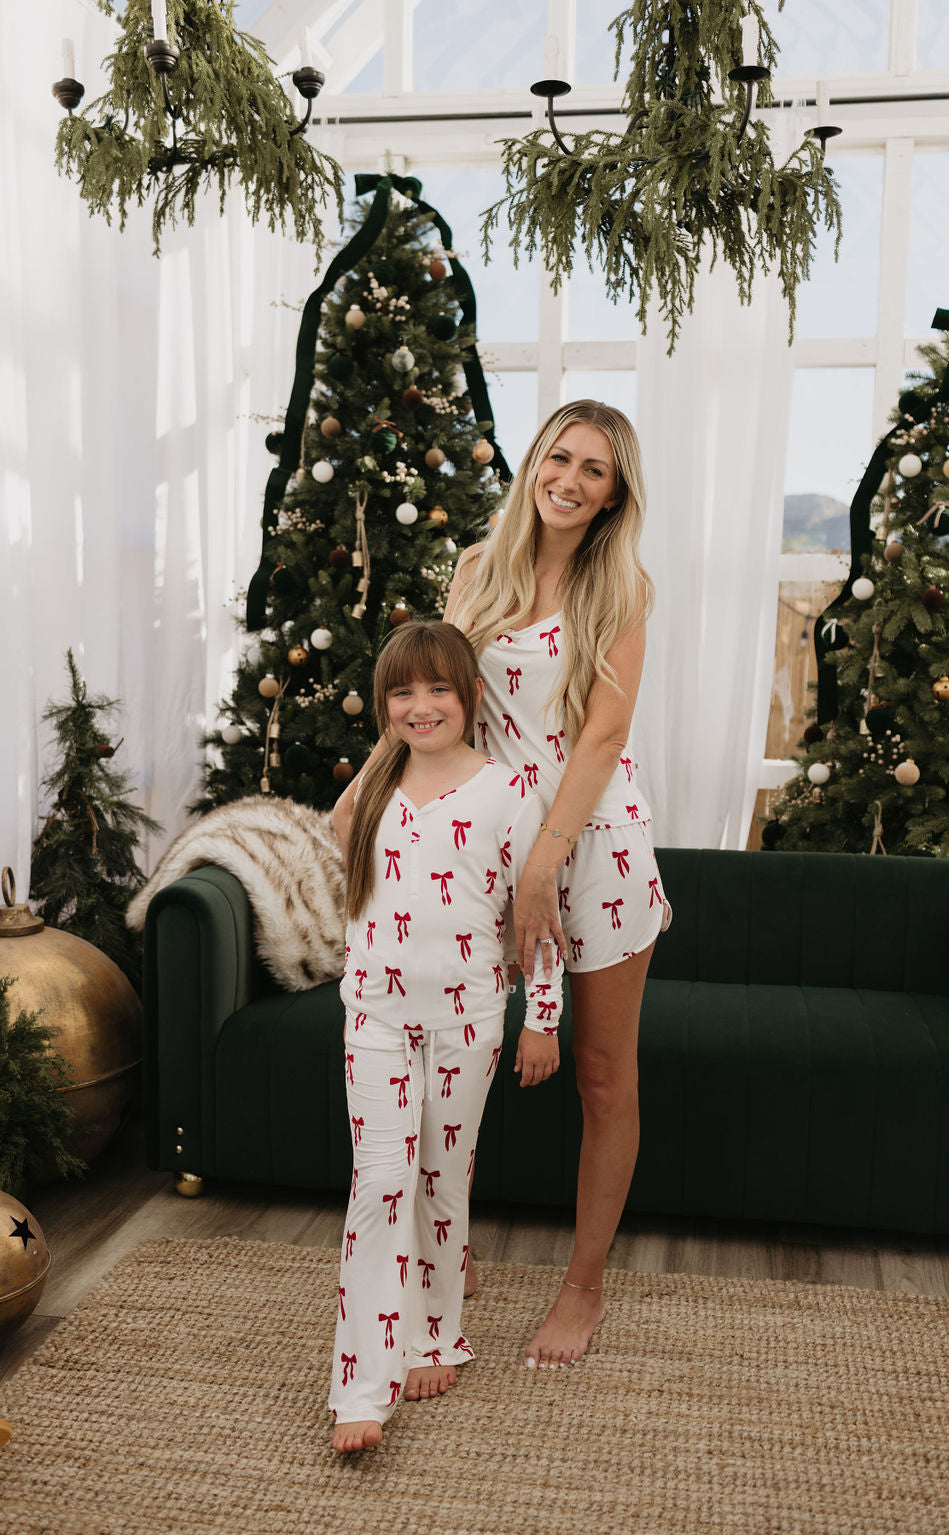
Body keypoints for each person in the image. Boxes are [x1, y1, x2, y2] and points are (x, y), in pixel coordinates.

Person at [445, 398, 667, 1371]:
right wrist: (367, 790)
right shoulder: (474, 569)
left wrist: (545, 865)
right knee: (457, 1051)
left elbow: (603, 736)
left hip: (596, 848)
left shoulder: (621, 589)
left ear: (614, 497)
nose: (569, 480)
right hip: (487, 842)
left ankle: (583, 1286)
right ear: (536, 459)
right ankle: (448, 1247)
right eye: (560, 457)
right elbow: (436, 698)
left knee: (602, 1075)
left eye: (594, 472)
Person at [327, 620, 562, 1454]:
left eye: (438, 690)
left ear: (469, 699)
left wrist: (543, 1017)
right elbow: (348, 862)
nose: (420, 706)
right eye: (402, 692)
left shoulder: (507, 792)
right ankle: (359, 1383)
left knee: (441, 1176)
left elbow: (537, 919)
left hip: (467, 1018)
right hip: (377, 1016)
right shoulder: (370, 791)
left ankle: (433, 1336)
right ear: (385, 705)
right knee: (380, 1182)